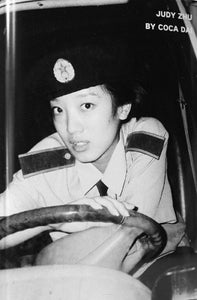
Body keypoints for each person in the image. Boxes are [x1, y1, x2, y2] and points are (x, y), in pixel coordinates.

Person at [0, 37, 186, 278]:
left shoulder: (144, 137)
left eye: (86, 106)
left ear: (122, 108)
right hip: (81, 280)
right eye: (58, 110)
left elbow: (131, 235)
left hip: (153, 270)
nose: (71, 128)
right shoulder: (46, 161)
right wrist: (53, 220)